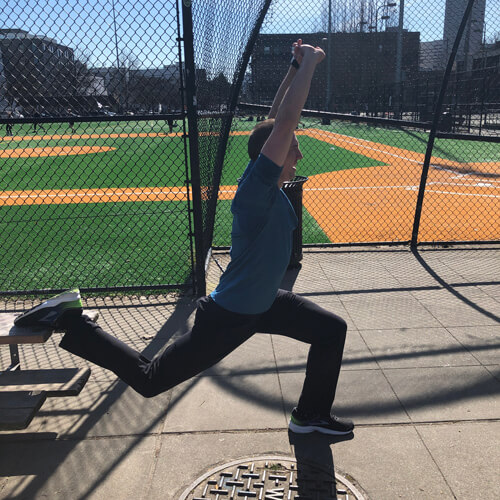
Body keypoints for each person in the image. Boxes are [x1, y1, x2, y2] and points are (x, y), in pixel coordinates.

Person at [14, 40, 353, 436]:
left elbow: (274, 122)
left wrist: (294, 68)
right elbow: (282, 125)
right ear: (272, 155)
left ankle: (309, 415)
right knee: (150, 378)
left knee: (331, 330)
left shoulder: (265, 181)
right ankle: (72, 321)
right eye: (293, 149)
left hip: (264, 303)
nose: (298, 156)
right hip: (233, 315)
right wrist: (311, 63)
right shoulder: (258, 191)